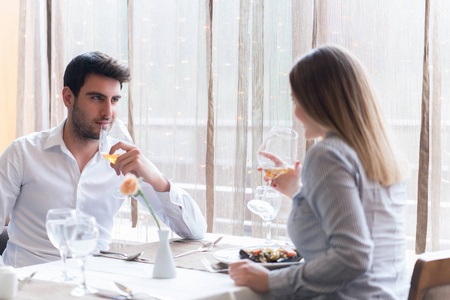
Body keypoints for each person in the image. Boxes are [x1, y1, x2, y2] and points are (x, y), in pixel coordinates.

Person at [229, 45, 409, 299]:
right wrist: (297, 191)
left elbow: (352, 256)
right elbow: (358, 221)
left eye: (296, 99)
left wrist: (271, 281)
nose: (295, 112)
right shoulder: (381, 153)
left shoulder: (327, 154)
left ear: (321, 102)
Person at [0, 51, 207, 267]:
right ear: (68, 98)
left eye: (114, 100)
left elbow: (195, 231)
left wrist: (157, 179)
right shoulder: (23, 153)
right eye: (97, 98)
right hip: (28, 283)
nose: (108, 112)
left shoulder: (125, 161)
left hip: (94, 283)